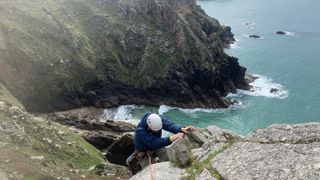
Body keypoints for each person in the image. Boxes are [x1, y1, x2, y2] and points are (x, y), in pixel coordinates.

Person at [126, 112, 195, 174]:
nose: (158, 131)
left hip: (156, 145)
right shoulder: (140, 132)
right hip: (144, 151)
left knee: (165, 154)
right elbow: (154, 142)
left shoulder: (155, 119)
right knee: (148, 171)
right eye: (156, 130)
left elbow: (169, 125)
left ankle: (170, 166)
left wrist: (181, 129)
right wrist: (171, 138)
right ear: (149, 127)